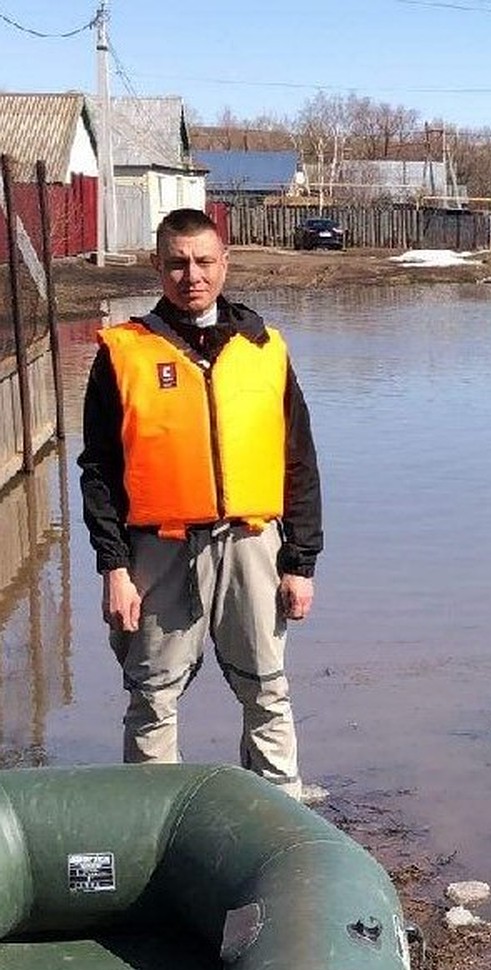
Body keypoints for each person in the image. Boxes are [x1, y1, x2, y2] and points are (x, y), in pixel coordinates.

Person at [78, 207, 322, 799]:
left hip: (252, 546)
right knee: (152, 694)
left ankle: (278, 821)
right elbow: (99, 472)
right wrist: (114, 569)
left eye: (204, 261)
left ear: (224, 263)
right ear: (157, 267)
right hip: (157, 551)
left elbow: (300, 464)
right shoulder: (122, 354)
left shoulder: (266, 349)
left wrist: (300, 562)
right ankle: (152, 828)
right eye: (178, 263)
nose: (192, 275)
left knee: (267, 688)